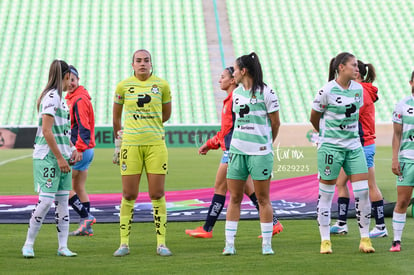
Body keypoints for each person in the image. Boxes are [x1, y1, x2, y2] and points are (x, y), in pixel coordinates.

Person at [185, 67, 283, 239]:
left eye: (222, 77)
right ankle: (274, 223)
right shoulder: (233, 98)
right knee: (249, 190)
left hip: (235, 150)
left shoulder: (234, 100)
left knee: (220, 187)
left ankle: (207, 228)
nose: (219, 80)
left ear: (232, 80)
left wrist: (209, 144)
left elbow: (228, 130)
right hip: (237, 149)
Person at [310, 52, 375, 254]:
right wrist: (327, 137)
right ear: (341, 67)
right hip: (330, 148)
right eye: (354, 65)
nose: (358, 69)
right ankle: (325, 241)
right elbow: (314, 117)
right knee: (327, 195)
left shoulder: (358, 89)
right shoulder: (326, 90)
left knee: (363, 191)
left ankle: (365, 239)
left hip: (354, 147)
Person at [112, 49, 172, 257]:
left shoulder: (162, 85)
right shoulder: (123, 86)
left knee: (157, 194)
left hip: (156, 146)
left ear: (151, 63)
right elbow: (116, 118)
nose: (143, 64)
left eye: (146, 60)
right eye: (138, 61)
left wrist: (149, 125)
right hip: (131, 146)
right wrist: (118, 144)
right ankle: (124, 244)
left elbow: (166, 114)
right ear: (132, 64)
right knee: (129, 194)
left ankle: (161, 243)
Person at [222, 52, 280, 256]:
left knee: (263, 199)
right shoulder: (236, 93)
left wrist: (265, 144)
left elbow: (275, 123)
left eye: (235, 69)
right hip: (237, 151)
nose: (233, 73)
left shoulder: (267, 92)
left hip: (260, 153)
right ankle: (229, 244)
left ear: (243, 71)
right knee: (235, 197)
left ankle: (266, 244)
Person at [22, 60, 81, 258]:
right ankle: (28, 244)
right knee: (46, 202)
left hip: (61, 157)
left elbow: (61, 133)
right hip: (48, 157)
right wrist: (60, 158)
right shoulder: (52, 97)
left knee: (63, 202)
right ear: (65, 77)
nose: (71, 84)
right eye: (70, 79)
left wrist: (72, 150)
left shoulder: (61, 100)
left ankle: (63, 246)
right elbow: (46, 131)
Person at [330, 60, 387, 238]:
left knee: (370, 185)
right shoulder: (362, 90)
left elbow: (350, 115)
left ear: (357, 74)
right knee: (340, 183)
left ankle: (380, 226)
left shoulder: (360, 92)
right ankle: (341, 223)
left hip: (363, 144)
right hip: (355, 144)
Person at [65, 65, 96, 236]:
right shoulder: (75, 98)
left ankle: (86, 216)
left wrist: (79, 148)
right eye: (67, 79)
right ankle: (87, 227)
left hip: (80, 149)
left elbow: (84, 126)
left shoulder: (79, 100)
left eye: (73, 79)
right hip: (85, 149)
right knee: (79, 187)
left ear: (78, 80)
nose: (70, 83)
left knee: (65, 186)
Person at [389, 71, 414, 252]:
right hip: (407, 159)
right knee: (403, 201)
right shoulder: (402, 105)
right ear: (411, 82)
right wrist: (395, 159)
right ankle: (396, 240)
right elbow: (397, 135)